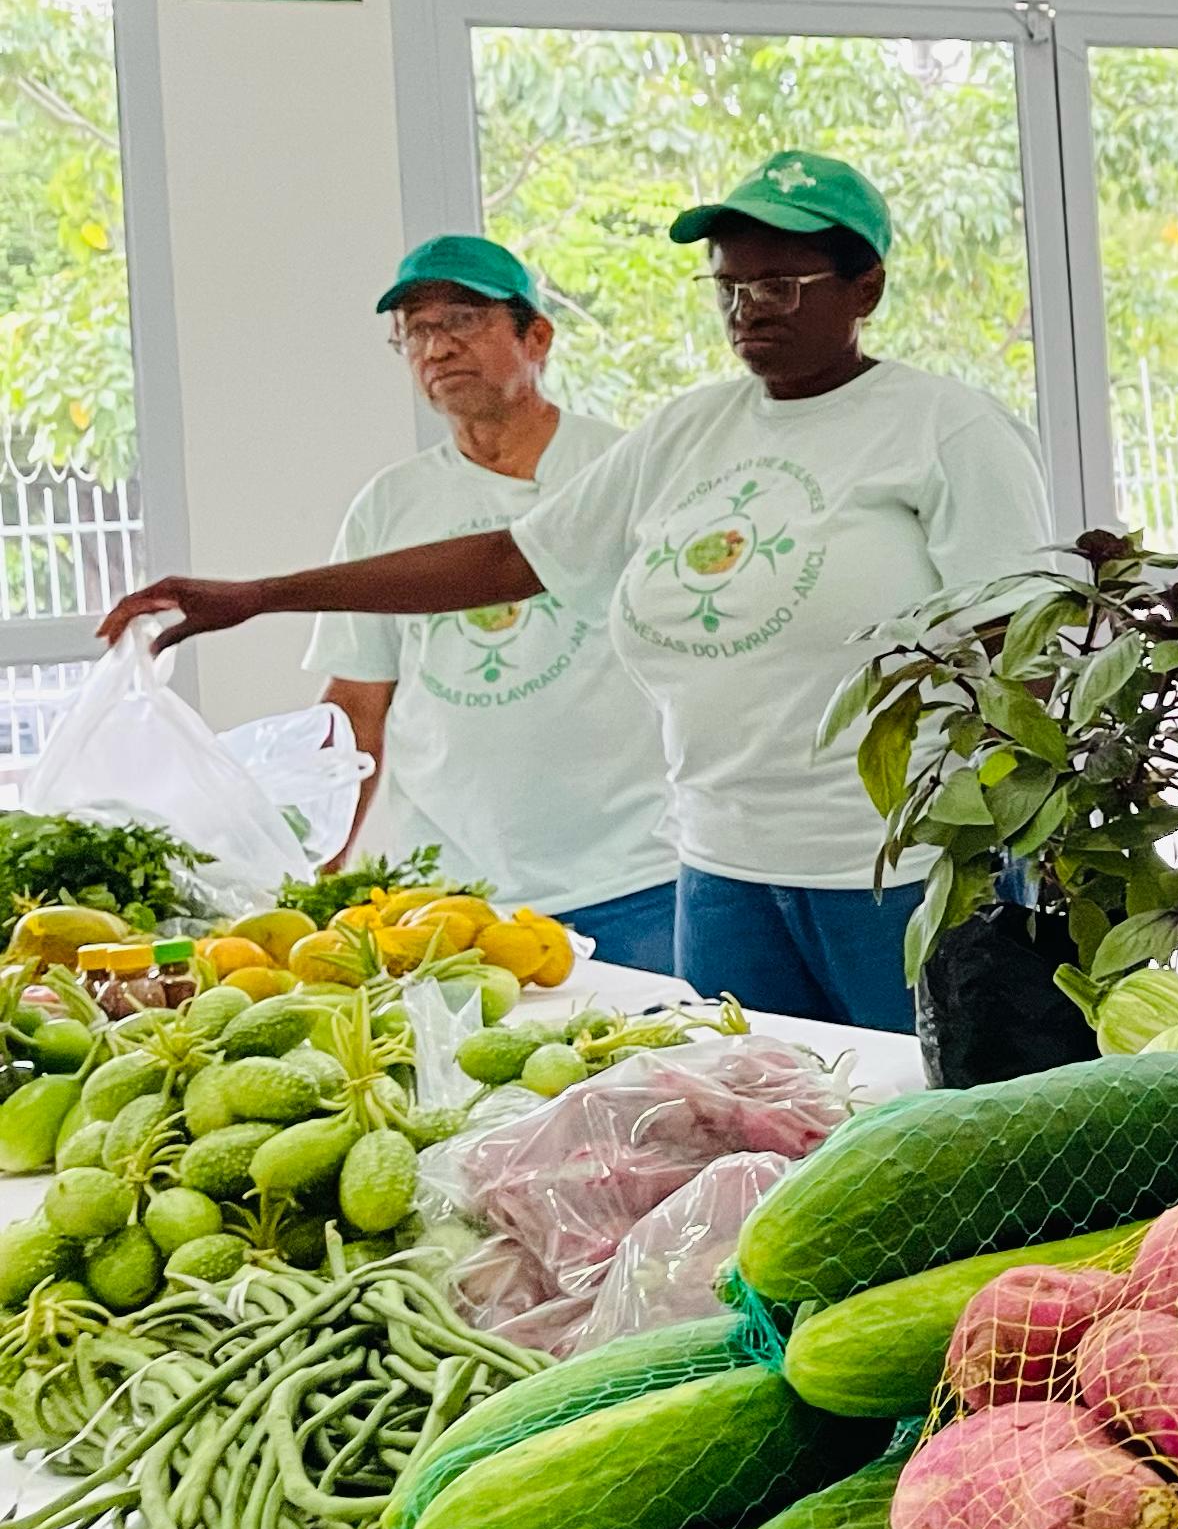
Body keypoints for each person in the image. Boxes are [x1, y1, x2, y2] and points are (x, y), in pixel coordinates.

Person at [105, 154, 1047, 1031]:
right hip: (723, 870)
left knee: (938, 1145)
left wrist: (1027, 853)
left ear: (865, 287)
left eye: (778, 285)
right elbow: (511, 560)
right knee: (771, 1138)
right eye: (728, 286)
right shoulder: (690, 430)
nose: (748, 310)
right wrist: (261, 595)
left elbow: (1017, 657)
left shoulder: (945, 431)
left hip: (897, 872)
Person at [305, 236, 677, 965]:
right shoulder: (390, 506)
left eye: (462, 321)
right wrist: (319, 871)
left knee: (655, 1074)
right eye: (416, 331)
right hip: (451, 897)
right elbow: (355, 706)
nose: (437, 348)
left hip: (638, 874)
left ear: (536, 335)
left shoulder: (625, 470)